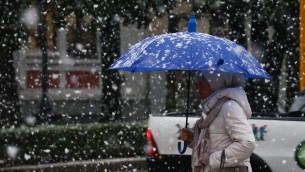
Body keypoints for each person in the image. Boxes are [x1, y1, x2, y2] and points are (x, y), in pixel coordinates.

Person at [181, 71, 256, 172]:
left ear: (216, 83)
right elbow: (212, 144)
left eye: (201, 82)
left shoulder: (229, 107)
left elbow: (247, 143)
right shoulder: (212, 108)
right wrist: (192, 139)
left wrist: (212, 161)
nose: (197, 88)